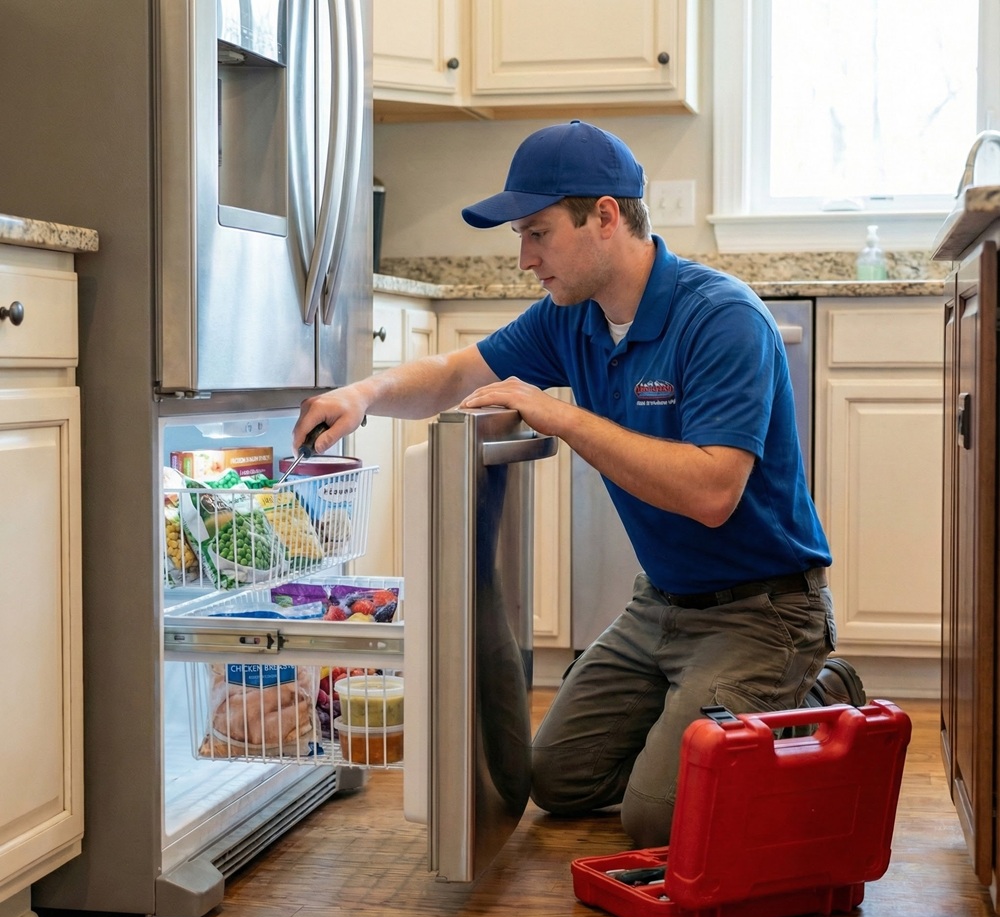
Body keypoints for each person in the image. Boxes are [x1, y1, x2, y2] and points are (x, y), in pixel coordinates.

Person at [293, 120, 865, 848]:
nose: (525, 259)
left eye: (538, 234)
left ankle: (818, 690)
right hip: (662, 605)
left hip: (763, 613)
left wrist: (560, 416)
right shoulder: (573, 319)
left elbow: (712, 493)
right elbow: (453, 373)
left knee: (656, 818)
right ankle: (694, 719)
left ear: (604, 216)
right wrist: (363, 394)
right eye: (521, 239)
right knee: (556, 780)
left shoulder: (720, 318)